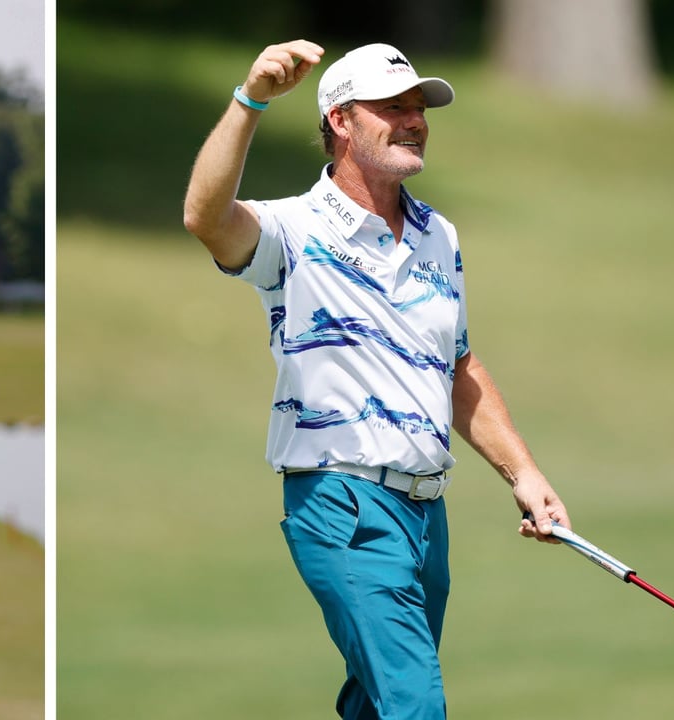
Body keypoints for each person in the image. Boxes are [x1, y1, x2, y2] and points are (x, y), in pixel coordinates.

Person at [182, 40, 570, 719]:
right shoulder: (292, 230)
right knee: (415, 705)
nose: (414, 120)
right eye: (393, 107)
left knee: (379, 703)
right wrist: (250, 102)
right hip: (343, 503)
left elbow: (457, 367)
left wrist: (524, 474)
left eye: (419, 108)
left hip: (428, 518)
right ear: (340, 120)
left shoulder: (437, 237)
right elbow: (206, 219)